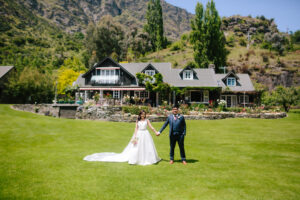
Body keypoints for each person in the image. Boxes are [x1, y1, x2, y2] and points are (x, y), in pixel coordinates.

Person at [83, 110, 161, 166]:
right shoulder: (137, 121)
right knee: (136, 147)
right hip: (139, 134)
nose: (143, 115)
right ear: (140, 115)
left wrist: (156, 132)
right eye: (142, 114)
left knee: (147, 147)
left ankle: (149, 159)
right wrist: (135, 136)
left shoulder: (147, 120)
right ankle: (135, 160)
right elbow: (136, 129)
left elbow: (151, 127)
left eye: (144, 114)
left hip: (146, 134)